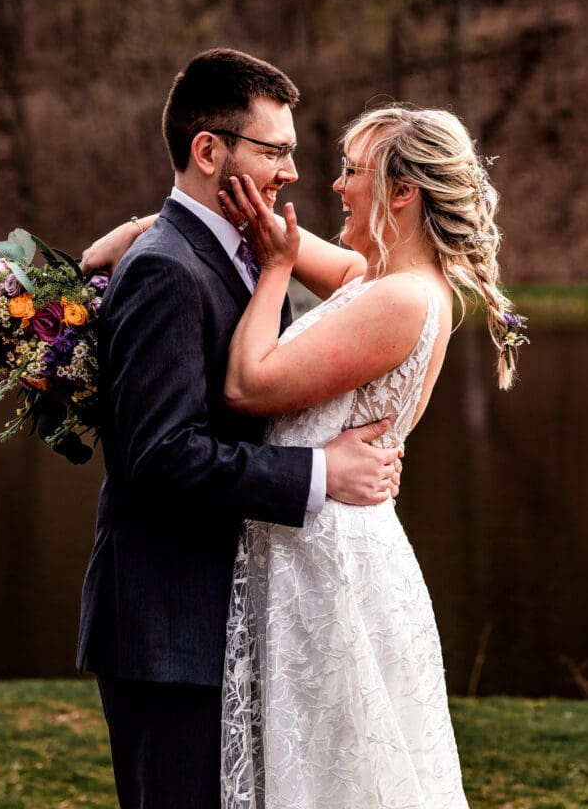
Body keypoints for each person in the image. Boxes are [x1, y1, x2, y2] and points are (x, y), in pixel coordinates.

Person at [76, 48, 402, 809]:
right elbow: (161, 458)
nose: (291, 170)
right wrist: (322, 473)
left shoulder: (237, 253)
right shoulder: (166, 268)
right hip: (169, 627)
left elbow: (372, 281)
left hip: (222, 619)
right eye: (274, 150)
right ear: (207, 150)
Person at [216, 105, 525, 808]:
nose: (335, 186)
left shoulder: (399, 300)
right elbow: (278, 236)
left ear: (402, 191)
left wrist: (271, 275)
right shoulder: (378, 280)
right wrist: (148, 232)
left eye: (352, 171)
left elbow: (247, 384)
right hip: (326, 546)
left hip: (328, 561)